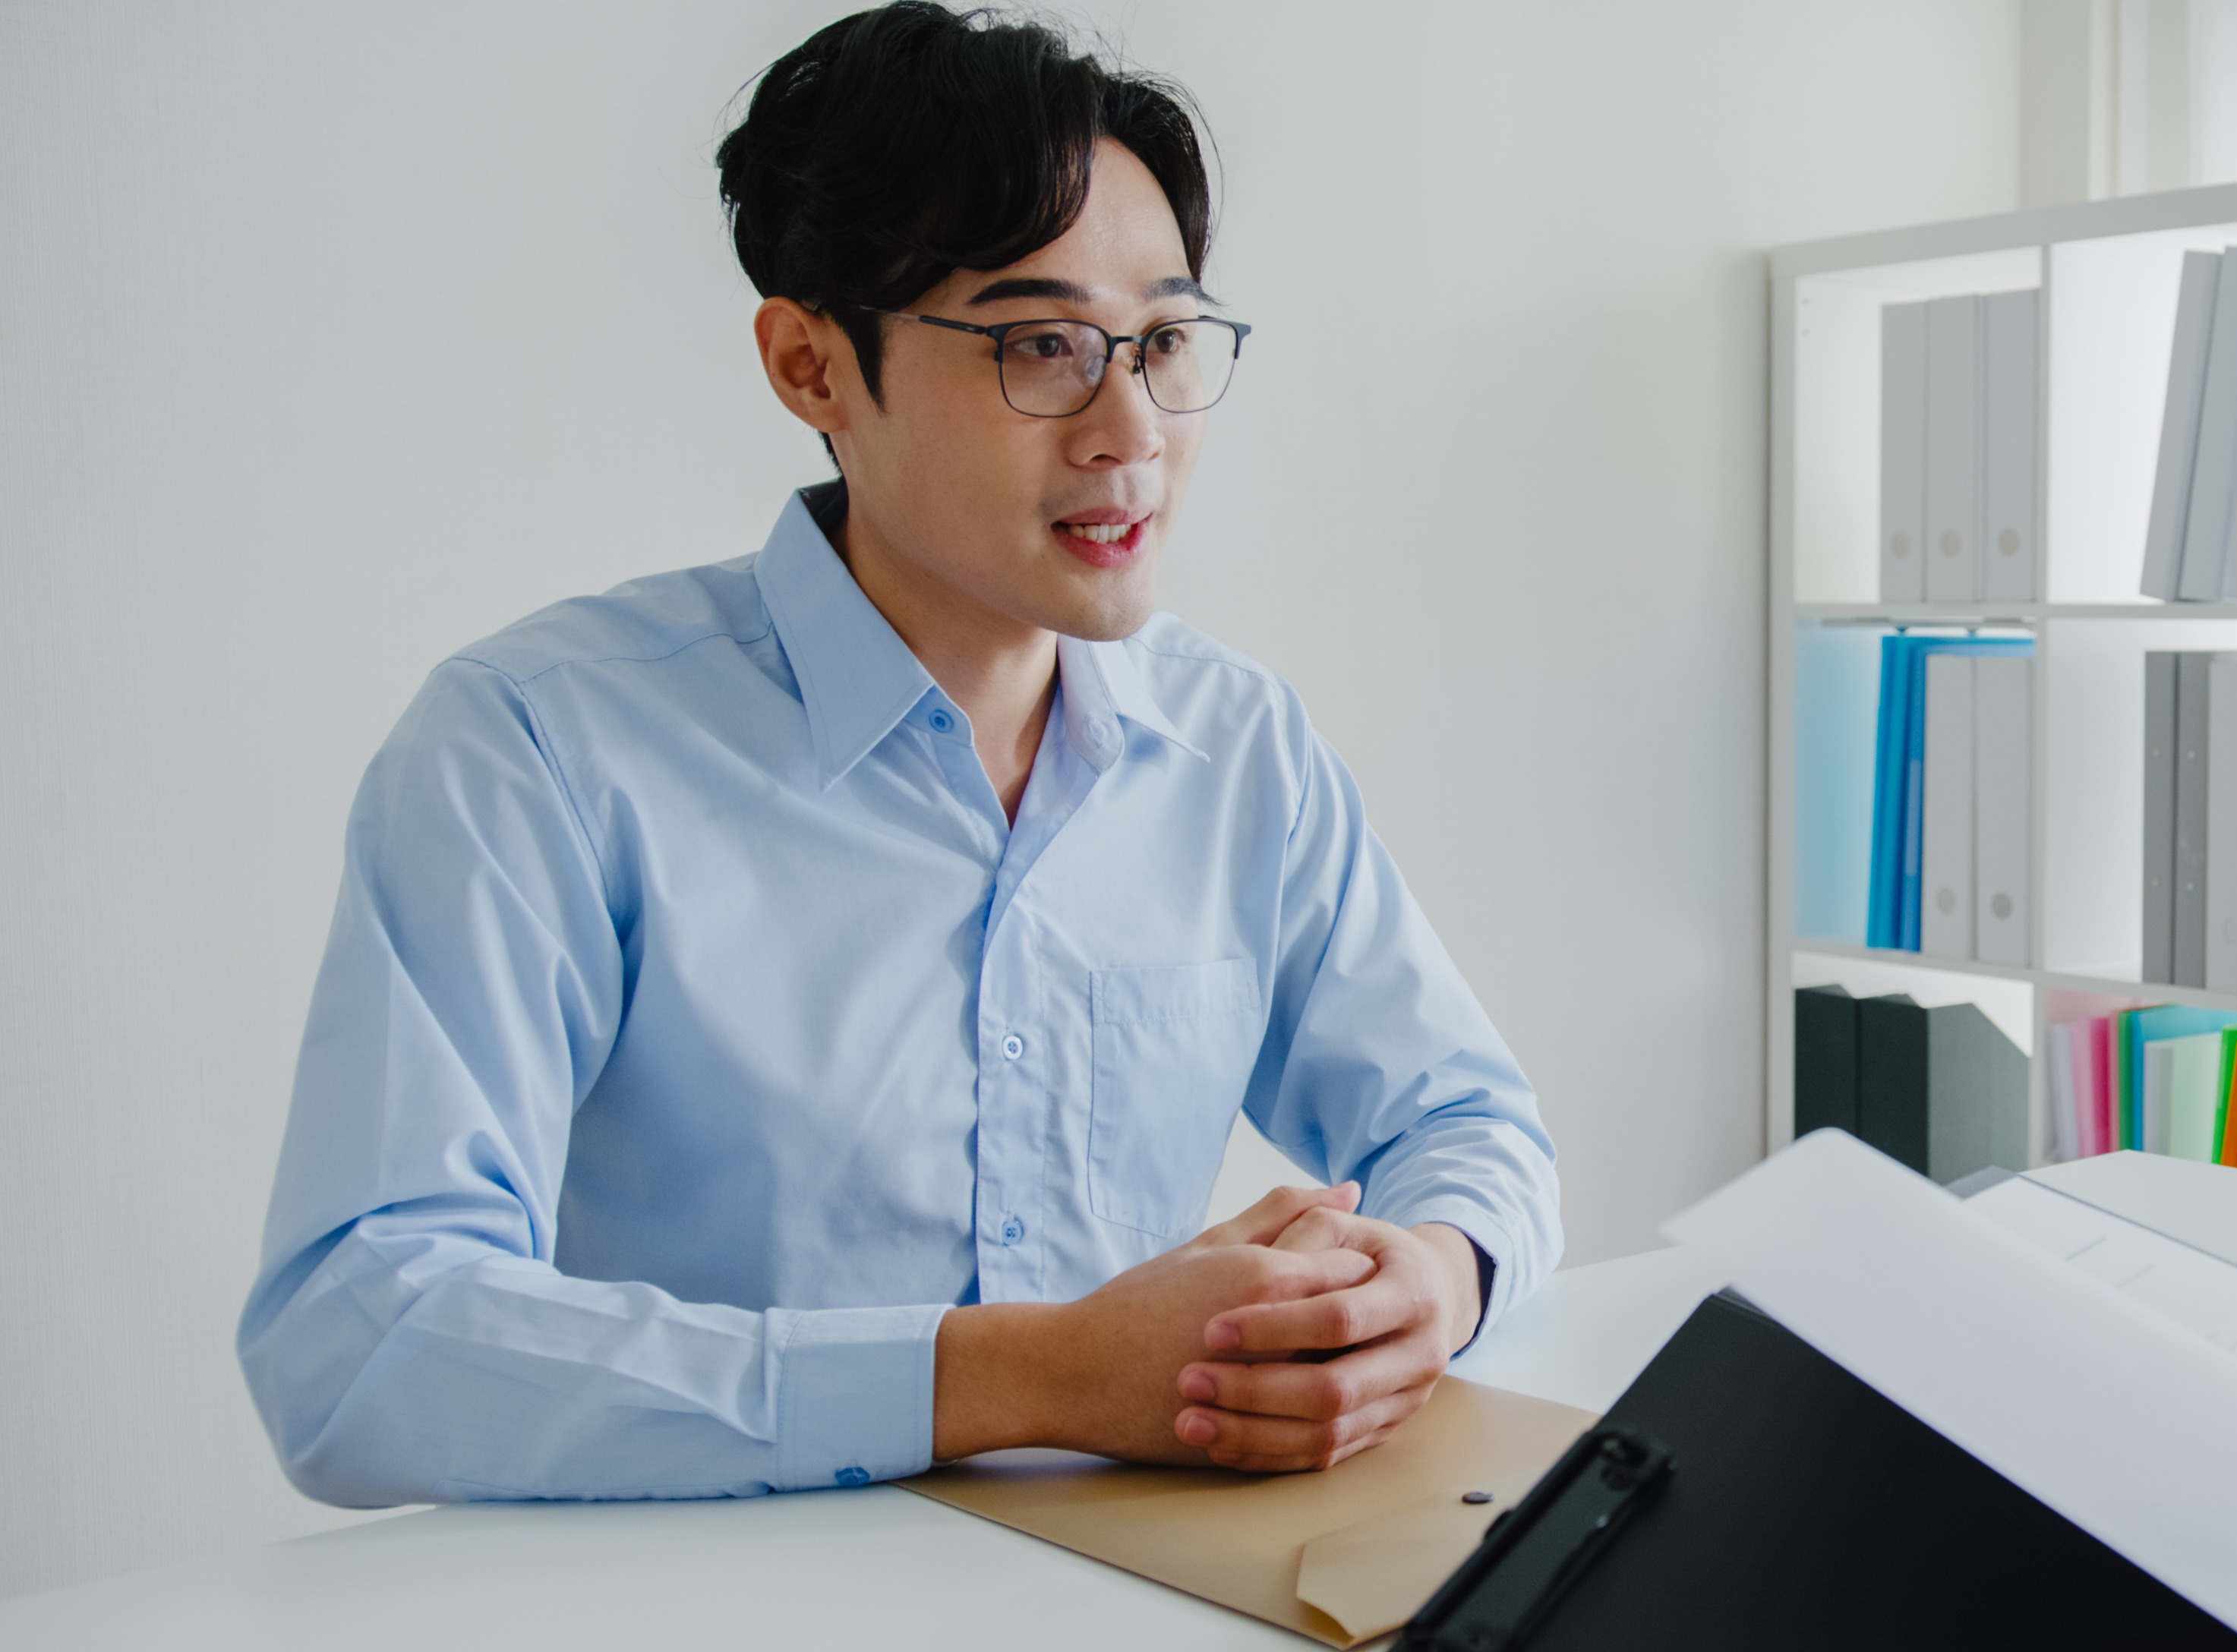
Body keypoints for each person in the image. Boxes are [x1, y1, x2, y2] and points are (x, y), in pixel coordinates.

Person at [237, 2, 1559, 1506]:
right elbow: (359, 1341)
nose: (1130, 428)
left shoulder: (1239, 742)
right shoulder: (537, 746)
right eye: (1041, 345)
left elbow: (1467, 1122)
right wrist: (1033, 1374)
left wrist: (1429, 1281)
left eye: (1166, 341)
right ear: (811, 367)